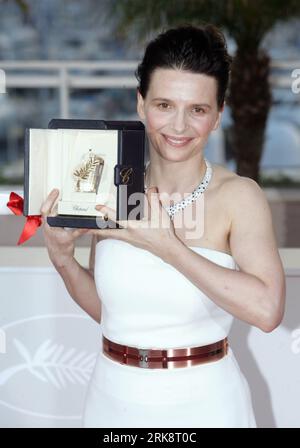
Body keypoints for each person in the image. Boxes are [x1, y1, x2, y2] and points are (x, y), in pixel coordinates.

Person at [41, 24, 286, 428]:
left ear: (218, 116)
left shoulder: (239, 196)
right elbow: (112, 312)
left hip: (207, 405)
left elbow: (267, 310)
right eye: (164, 105)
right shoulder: (114, 189)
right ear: (141, 105)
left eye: (198, 110)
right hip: (111, 401)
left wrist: (169, 248)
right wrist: (64, 261)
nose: (178, 126)